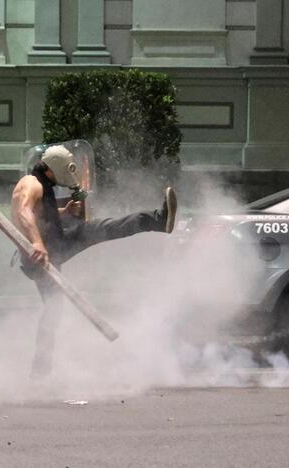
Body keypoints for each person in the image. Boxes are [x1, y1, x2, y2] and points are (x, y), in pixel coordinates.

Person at [11, 144, 177, 377]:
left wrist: (64, 213)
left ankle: (40, 373)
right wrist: (37, 244)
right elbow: (23, 212)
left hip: (52, 247)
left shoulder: (43, 185)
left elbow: (40, 215)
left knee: (54, 310)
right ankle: (157, 221)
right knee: (98, 229)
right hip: (40, 253)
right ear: (52, 169)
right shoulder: (30, 183)